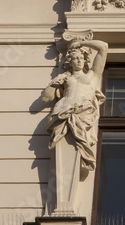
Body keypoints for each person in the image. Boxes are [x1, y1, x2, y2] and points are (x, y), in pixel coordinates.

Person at [42, 35, 108, 173]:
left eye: (81, 58)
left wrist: (81, 43)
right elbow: (46, 99)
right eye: (75, 58)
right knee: (63, 146)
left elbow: (103, 47)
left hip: (82, 111)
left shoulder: (92, 75)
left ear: (85, 60)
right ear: (70, 61)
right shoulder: (64, 78)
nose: (78, 61)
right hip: (62, 110)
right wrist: (54, 84)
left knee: (79, 144)